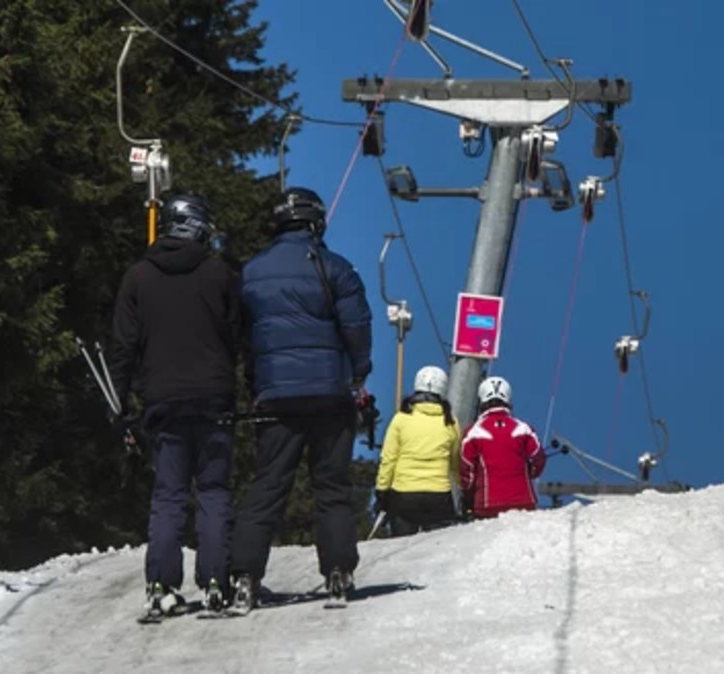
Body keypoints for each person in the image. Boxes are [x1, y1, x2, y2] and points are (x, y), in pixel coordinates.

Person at [230, 187, 373, 611]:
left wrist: (256, 383)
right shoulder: (336, 267)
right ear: (316, 222)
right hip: (330, 392)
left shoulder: (251, 272)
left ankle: (245, 576)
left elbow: (243, 336)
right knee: (331, 485)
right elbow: (357, 327)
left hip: (276, 394)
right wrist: (358, 372)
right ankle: (338, 572)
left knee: (268, 485)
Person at [107, 194, 241, 619]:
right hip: (213, 396)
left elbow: (123, 346)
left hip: (162, 398)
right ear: (198, 227)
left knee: (169, 493)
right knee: (214, 490)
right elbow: (236, 332)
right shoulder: (218, 273)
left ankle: (161, 583)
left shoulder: (138, 277)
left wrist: (120, 403)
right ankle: (216, 579)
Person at [374, 365, 461, 536]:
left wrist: (382, 490)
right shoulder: (451, 422)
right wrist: (462, 489)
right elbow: (455, 462)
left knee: (403, 546)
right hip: (439, 495)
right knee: (437, 546)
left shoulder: (401, 419)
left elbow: (389, 459)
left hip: (403, 494)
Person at [460, 376, 547, 518]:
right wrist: (528, 473)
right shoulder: (524, 428)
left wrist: (468, 497)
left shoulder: (472, 432)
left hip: (487, 506)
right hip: (524, 503)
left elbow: (467, 473)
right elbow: (538, 458)